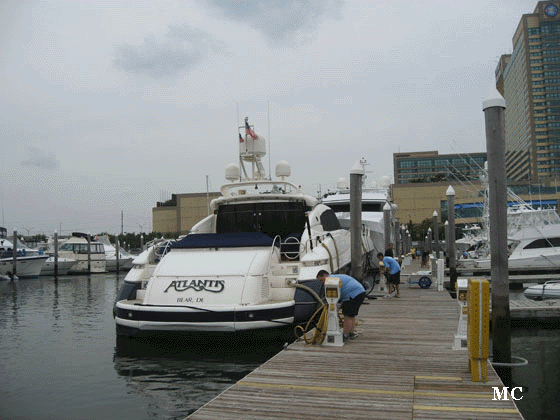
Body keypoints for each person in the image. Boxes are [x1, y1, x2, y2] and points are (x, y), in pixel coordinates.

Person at [316, 270, 366, 342]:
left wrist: (335, 307)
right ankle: (351, 333)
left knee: (347, 315)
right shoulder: (336, 277)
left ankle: (345, 335)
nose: (322, 282)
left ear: (325, 275)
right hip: (359, 292)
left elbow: (335, 295)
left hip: (353, 294)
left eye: (321, 280)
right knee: (351, 315)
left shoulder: (330, 281)